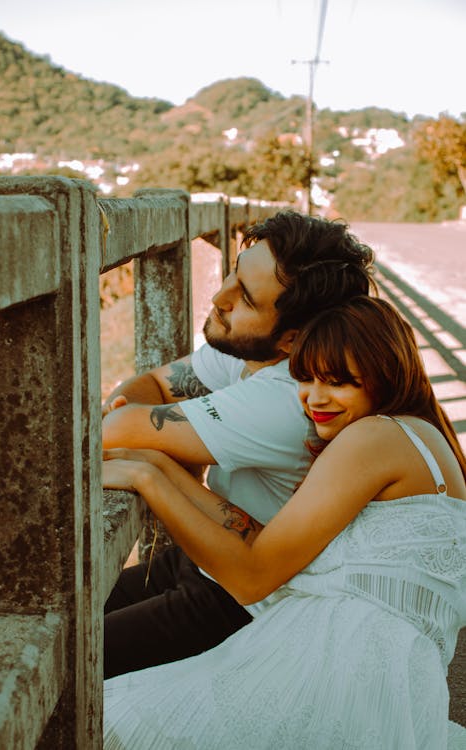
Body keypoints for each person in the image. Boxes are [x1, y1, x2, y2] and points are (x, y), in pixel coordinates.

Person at [102, 296, 466, 749]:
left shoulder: (374, 437)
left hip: (338, 669)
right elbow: (261, 540)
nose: (315, 398)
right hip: (379, 672)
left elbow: (252, 577)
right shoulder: (416, 435)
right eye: (306, 377)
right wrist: (160, 467)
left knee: (109, 716)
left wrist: (144, 478)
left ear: (385, 374)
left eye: (339, 382)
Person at [101, 210, 377, 678]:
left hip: (242, 602)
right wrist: (136, 416)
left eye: (245, 297)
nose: (219, 297)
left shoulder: (288, 398)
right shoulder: (248, 346)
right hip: (200, 558)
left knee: (72, 661)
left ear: (292, 337)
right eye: (234, 271)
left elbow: (113, 431)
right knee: (65, 609)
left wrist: (133, 422)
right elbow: (151, 386)